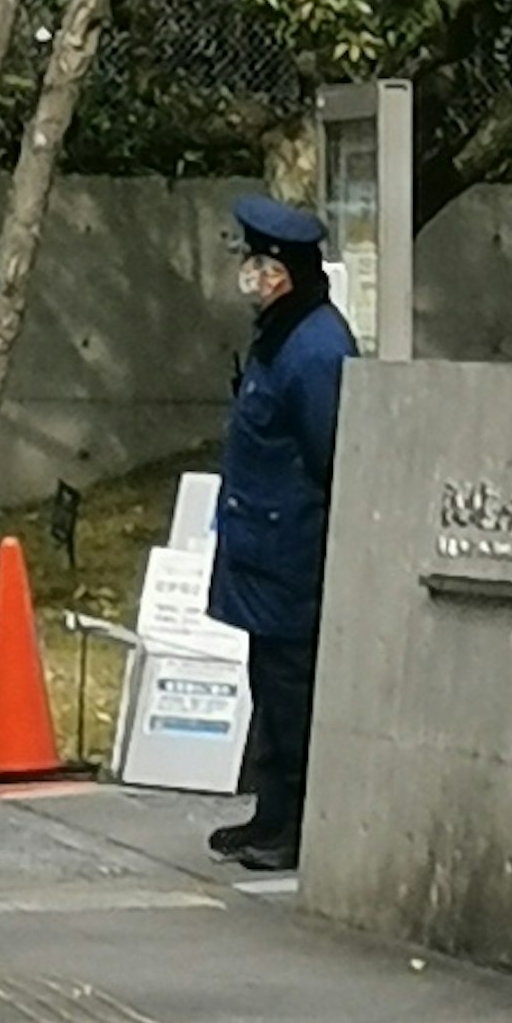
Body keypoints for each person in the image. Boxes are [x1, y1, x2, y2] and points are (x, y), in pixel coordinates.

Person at [205, 196, 350, 875]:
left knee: (293, 691)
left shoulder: (315, 346)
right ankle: (270, 812)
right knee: (269, 682)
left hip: (292, 550)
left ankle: (292, 826)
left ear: (283, 271)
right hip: (263, 548)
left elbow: (331, 452)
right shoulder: (281, 333)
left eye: (257, 261)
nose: (247, 272)